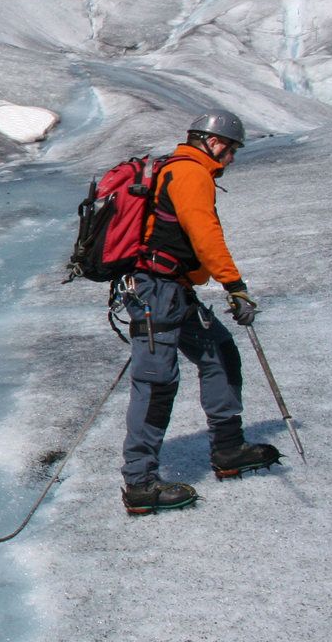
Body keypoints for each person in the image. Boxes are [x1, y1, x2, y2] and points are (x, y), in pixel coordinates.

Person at [119, 109, 280, 515]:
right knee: (156, 384)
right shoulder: (191, 173)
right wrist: (235, 286)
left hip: (174, 290)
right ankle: (140, 484)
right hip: (157, 291)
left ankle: (228, 449)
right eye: (231, 151)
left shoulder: (181, 169)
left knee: (218, 352)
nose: (231, 159)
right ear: (214, 143)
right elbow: (204, 233)